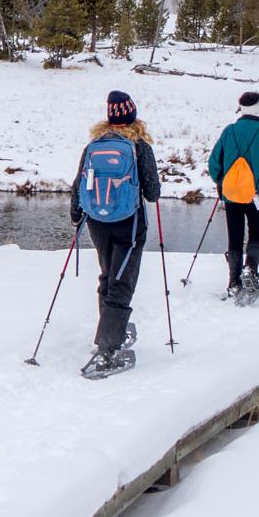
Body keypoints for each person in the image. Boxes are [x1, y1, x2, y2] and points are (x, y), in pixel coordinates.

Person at [70, 89, 161, 379]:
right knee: (122, 281)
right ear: (133, 115)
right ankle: (108, 349)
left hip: (97, 219)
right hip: (129, 221)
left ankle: (109, 332)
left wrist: (76, 215)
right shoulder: (138, 146)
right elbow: (153, 192)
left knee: (108, 274)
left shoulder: (94, 145)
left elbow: (78, 185)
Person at [206, 90, 259, 304]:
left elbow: (214, 163)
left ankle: (234, 282)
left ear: (240, 108)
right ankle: (250, 268)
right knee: (256, 233)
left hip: (231, 194)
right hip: (256, 194)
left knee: (235, 236)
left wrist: (221, 181)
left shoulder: (229, 131)